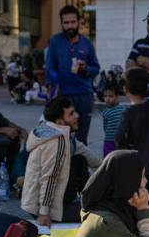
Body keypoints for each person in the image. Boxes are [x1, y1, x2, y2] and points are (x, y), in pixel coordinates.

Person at [21, 96, 101, 226]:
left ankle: (85, 201)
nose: (77, 116)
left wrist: (113, 172)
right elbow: (49, 178)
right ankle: (84, 206)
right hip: (40, 207)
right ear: (60, 121)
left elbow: (93, 159)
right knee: (100, 213)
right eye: (71, 114)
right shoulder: (56, 141)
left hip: (52, 200)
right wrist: (44, 213)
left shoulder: (65, 136)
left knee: (80, 159)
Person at [46, 5, 100, 144]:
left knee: (81, 138)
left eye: (73, 22)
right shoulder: (55, 41)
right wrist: (53, 82)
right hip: (63, 95)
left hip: (84, 95)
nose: (70, 26)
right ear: (62, 23)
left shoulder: (87, 44)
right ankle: (64, 165)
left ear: (78, 22)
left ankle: (81, 165)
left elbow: (96, 67)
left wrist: (86, 68)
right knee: (62, 137)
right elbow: (50, 67)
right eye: (66, 23)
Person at [116, 68, 149, 219]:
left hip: (137, 166)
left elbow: (119, 137)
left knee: (137, 201)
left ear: (126, 89)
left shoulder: (128, 113)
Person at [100, 86, 125, 156]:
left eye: (111, 96)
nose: (107, 99)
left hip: (120, 141)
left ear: (117, 97)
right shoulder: (105, 112)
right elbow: (105, 127)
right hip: (108, 141)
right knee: (108, 160)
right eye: (105, 96)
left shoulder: (122, 109)